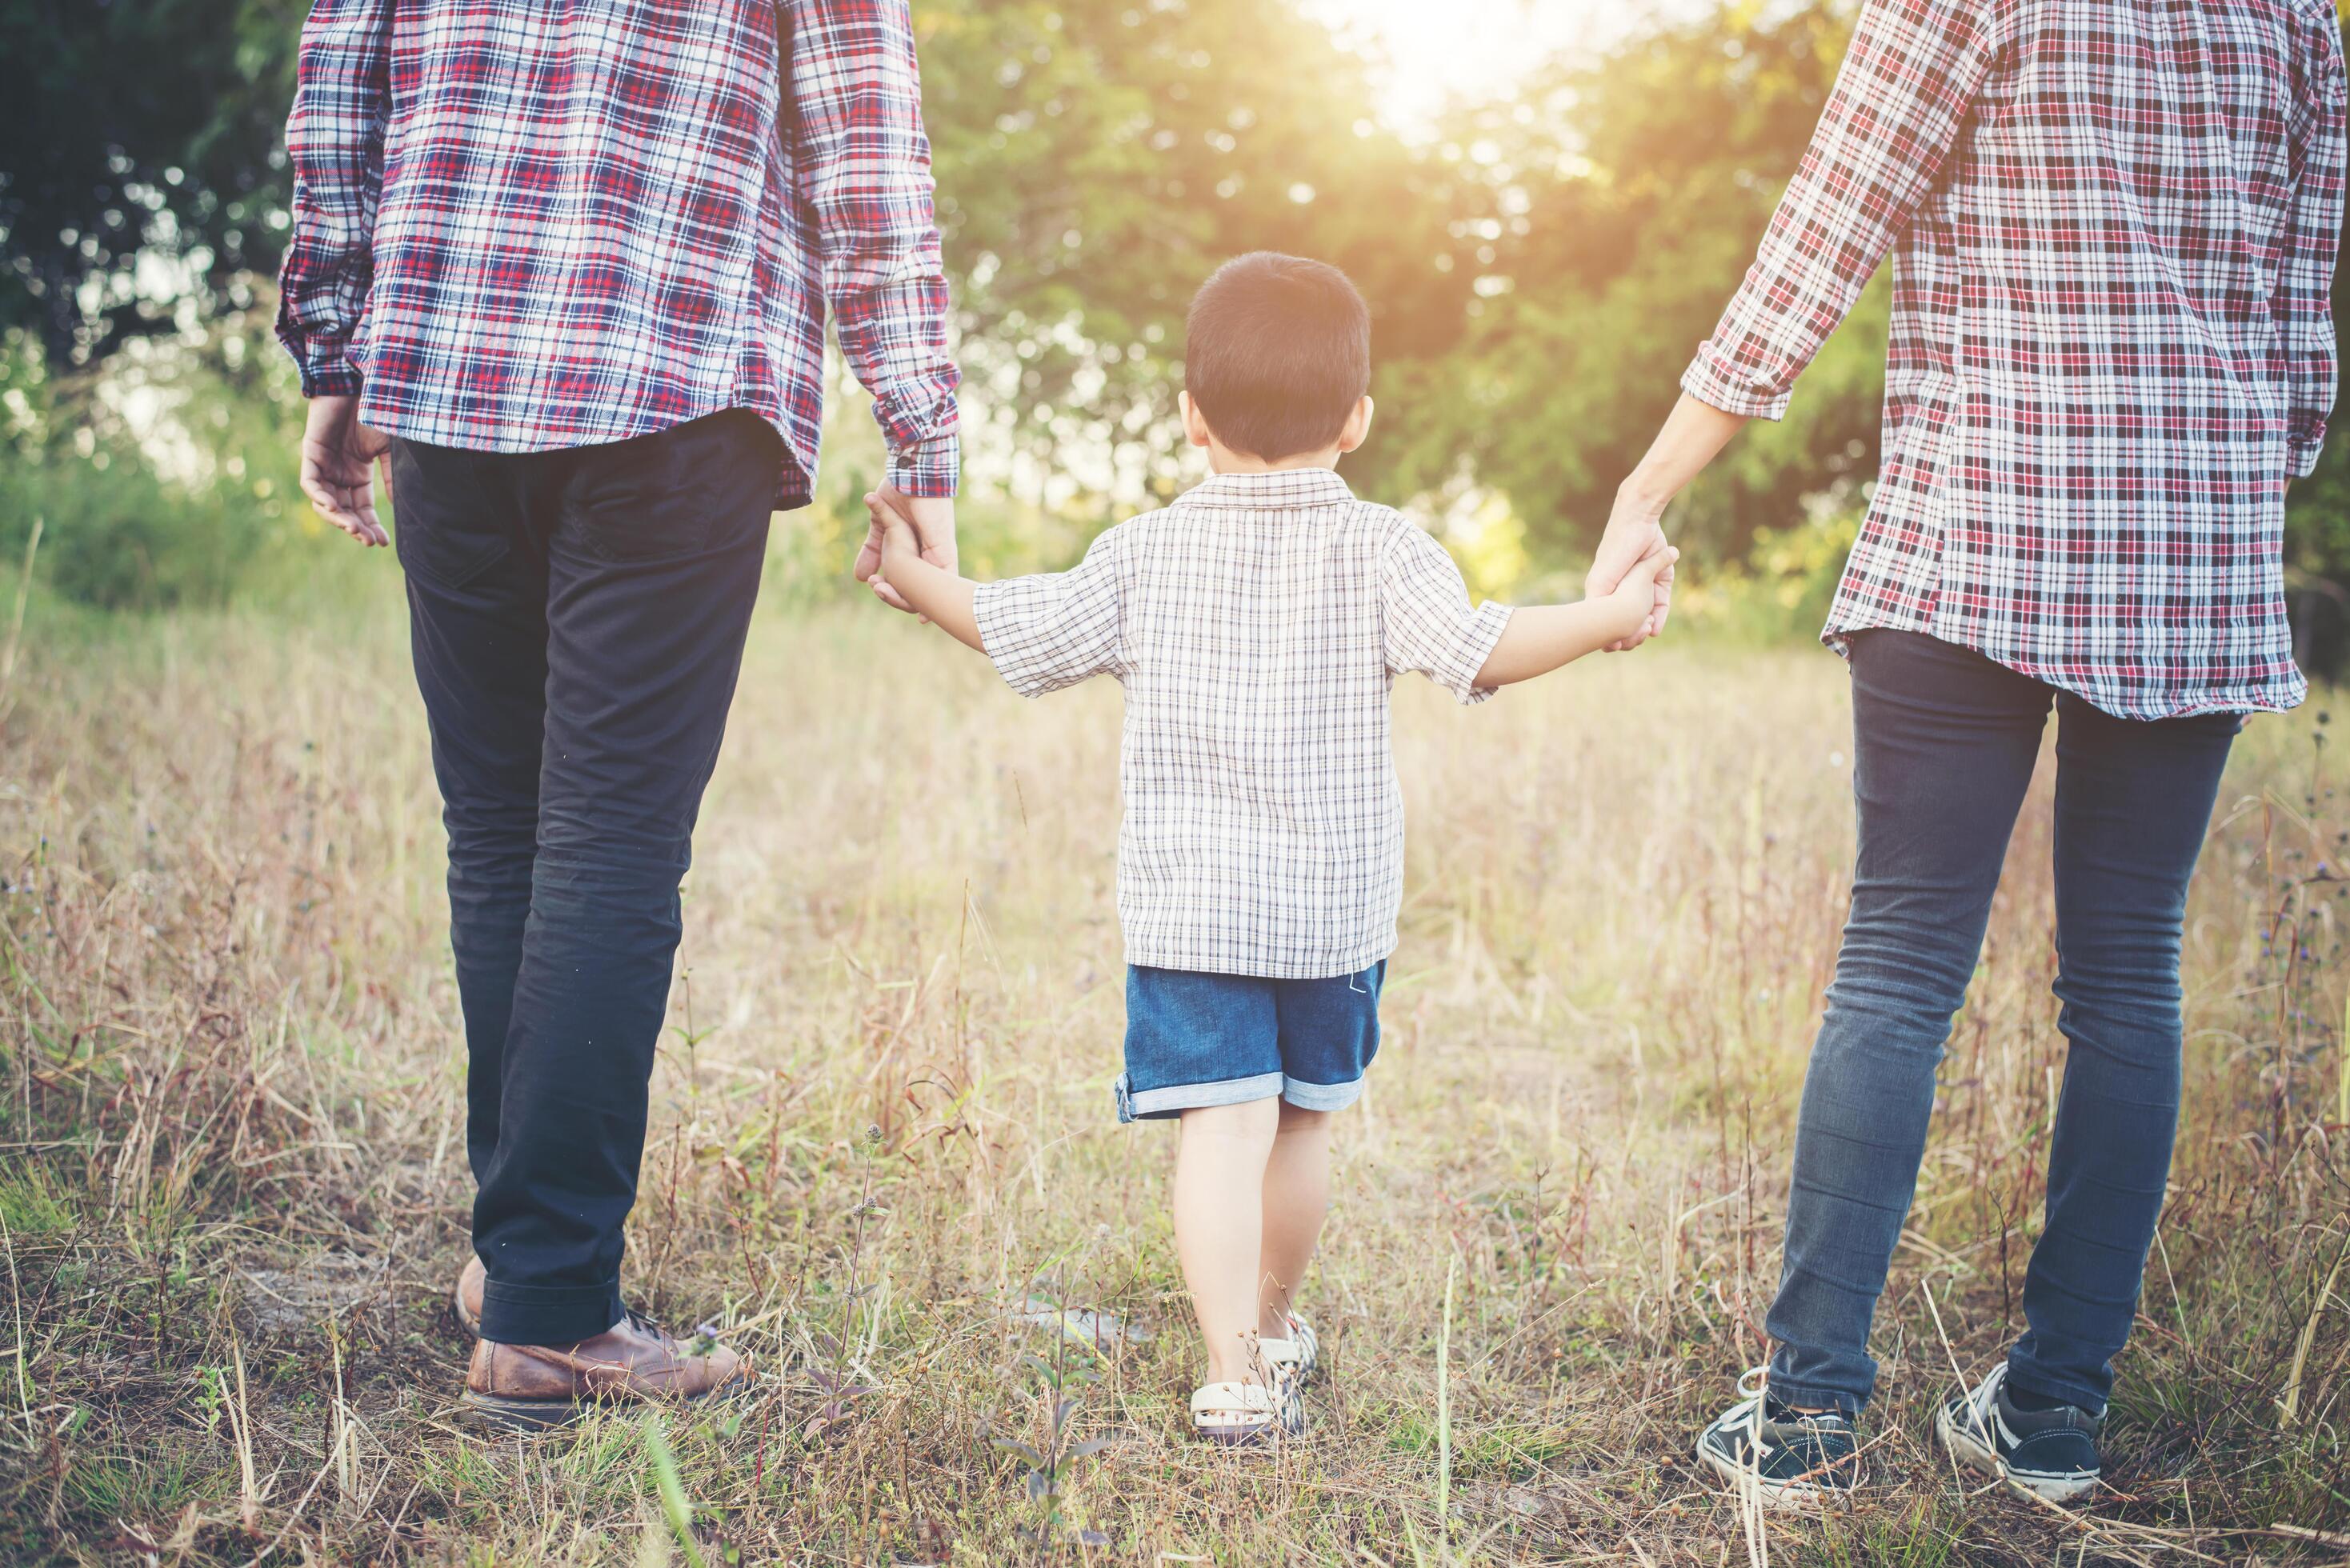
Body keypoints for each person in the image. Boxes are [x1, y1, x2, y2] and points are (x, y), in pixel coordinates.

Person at [1583, 0, 2348, 1508]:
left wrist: (1647, 486)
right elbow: (2294, 317)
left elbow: (1817, 241)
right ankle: (2054, 1419)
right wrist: (2211, 467)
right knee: (2130, 976)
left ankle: (1805, 1418)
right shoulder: (2296, 24)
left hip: (1978, 524)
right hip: (2194, 538)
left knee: (1897, 962)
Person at [274, 0, 962, 1430]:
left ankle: (517, 1258)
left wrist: (337, 355)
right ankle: (547, 1314)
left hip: (451, 369)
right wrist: (923, 433)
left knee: (505, 839)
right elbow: (865, 148)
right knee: (604, 847)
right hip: (675, 370)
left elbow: (338, 97)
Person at [862, 252, 1675, 1443]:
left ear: (1190, 419)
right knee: (1299, 1124)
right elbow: (1480, 648)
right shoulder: (1386, 548)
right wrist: (1610, 616)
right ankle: (1274, 1331)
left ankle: (1231, 1373)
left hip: (1192, 914)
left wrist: (906, 572)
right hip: (1330, 914)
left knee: (1218, 1128)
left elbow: (1005, 625)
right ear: (1356, 420)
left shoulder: (1140, 553)